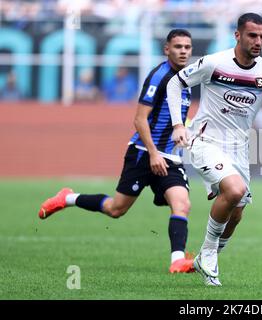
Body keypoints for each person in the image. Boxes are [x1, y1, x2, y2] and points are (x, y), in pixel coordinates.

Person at [38, 29, 195, 273]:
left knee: (182, 204)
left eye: (187, 47)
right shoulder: (159, 76)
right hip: (144, 152)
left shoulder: (187, 80)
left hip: (170, 157)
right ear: (167, 49)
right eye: (178, 47)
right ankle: (67, 198)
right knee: (116, 209)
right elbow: (140, 120)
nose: (183, 51)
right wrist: (153, 153)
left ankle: (177, 261)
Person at [167, 13, 262, 286]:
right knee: (235, 190)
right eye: (252, 35)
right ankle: (207, 254)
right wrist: (178, 124)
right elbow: (175, 83)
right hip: (205, 142)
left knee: (237, 213)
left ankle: (206, 259)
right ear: (237, 35)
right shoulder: (214, 63)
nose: (258, 41)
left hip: (239, 149)